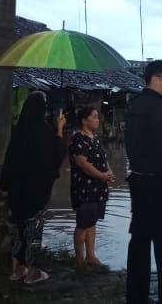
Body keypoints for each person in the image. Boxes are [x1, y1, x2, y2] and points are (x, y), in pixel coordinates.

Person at [125, 59, 162, 304]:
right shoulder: (159, 110)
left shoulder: (134, 106)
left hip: (138, 183)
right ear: (156, 79)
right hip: (159, 186)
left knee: (139, 241)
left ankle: (136, 296)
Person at [0, 91, 67, 284]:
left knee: (18, 230)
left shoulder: (18, 131)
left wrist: (6, 185)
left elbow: (9, 162)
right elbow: (57, 153)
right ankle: (32, 273)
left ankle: (16, 270)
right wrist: (59, 129)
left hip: (17, 191)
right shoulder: (45, 132)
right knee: (33, 231)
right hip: (35, 192)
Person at [69, 106, 115, 270]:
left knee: (92, 222)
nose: (98, 120)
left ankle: (91, 255)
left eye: (97, 117)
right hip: (85, 188)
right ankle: (79, 259)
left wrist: (108, 172)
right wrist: (101, 175)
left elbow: (103, 158)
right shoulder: (78, 138)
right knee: (83, 223)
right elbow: (82, 163)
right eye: (94, 117)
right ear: (84, 120)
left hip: (98, 187)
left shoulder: (95, 138)